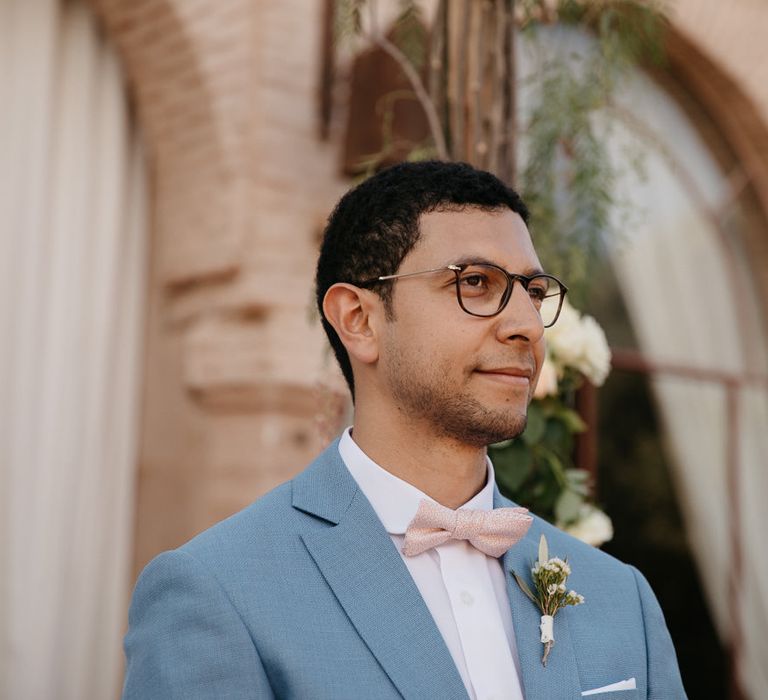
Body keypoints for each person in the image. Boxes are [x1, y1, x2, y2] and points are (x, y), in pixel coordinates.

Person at [122, 161, 686, 699]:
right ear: (358, 320)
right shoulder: (218, 592)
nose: (524, 327)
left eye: (533, 294)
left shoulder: (621, 598)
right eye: (476, 283)